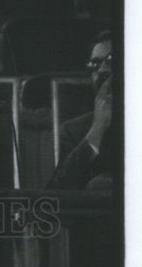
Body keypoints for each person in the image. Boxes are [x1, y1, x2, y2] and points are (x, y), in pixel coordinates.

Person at [47, 30, 117, 191]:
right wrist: (97, 129)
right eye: (95, 65)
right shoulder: (73, 131)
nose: (101, 71)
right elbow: (57, 194)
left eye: (111, 61)